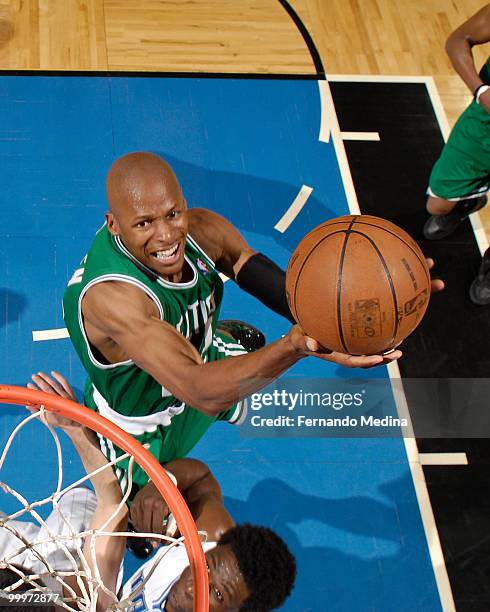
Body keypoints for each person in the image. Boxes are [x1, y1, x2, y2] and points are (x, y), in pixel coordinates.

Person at [62, 151, 407, 494]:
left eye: (172, 213)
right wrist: (296, 346)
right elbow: (199, 391)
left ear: (183, 203)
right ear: (113, 224)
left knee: (228, 362)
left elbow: (243, 261)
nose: (166, 235)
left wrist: (328, 322)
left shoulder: (198, 228)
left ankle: (211, 341)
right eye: (144, 223)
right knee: (144, 522)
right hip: (140, 424)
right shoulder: (113, 298)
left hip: (199, 364)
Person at [0, 372, 296, 611]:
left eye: (217, 593)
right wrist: (160, 484)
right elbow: (117, 499)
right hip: (75, 571)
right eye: (207, 566)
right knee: (96, 516)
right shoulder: (208, 536)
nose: (195, 585)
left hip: (79, 581)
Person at [423, 4, 490, 304]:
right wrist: (481, 91)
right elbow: (457, 40)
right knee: (436, 206)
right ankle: (469, 201)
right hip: (484, 130)